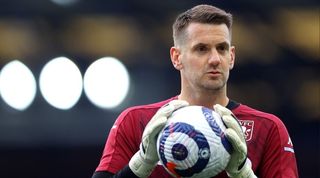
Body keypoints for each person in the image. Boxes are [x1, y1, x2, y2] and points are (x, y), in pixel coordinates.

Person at [92, 4, 298, 178]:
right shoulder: (136, 122)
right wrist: (141, 164)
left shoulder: (268, 128)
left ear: (232, 57)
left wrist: (244, 174)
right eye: (201, 49)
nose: (215, 59)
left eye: (222, 48)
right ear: (176, 57)